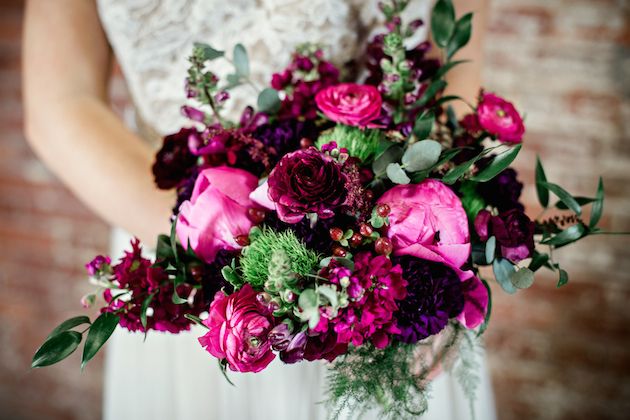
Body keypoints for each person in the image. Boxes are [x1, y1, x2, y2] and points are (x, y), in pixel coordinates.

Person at [23, 1, 495, 419]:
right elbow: (61, 103)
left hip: (395, 257)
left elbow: (455, 70)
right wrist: (221, 242)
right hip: (191, 252)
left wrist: (448, 231)